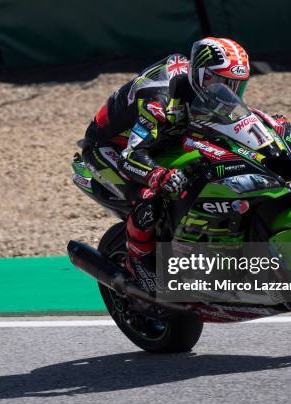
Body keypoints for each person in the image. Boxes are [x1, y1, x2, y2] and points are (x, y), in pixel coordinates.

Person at [81, 37, 251, 293]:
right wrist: (159, 175)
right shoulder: (159, 99)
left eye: (236, 85)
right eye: (222, 83)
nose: (230, 91)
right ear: (201, 75)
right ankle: (139, 267)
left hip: (164, 138)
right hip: (112, 148)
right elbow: (132, 156)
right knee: (149, 197)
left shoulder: (202, 89)